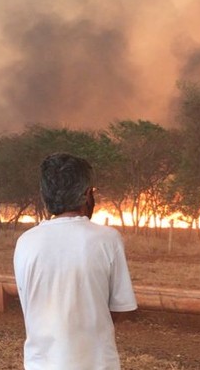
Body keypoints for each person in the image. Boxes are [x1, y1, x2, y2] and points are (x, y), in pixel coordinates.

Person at [14, 153, 137, 370]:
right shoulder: (107, 239)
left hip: (40, 364)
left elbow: (32, 304)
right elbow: (119, 308)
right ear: (87, 195)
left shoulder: (26, 241)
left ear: (45, 195)